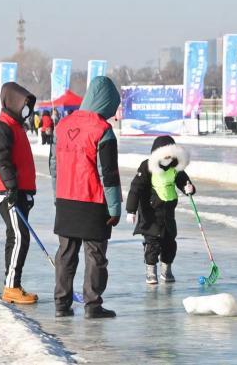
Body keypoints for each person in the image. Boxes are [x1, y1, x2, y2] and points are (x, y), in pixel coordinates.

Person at [50, 76, 122, 319]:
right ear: (107, 102)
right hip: (93, 202)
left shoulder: (62, 126)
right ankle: (92, 305)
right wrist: (115, 208)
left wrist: (57, 195)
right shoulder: (103, 131)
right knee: (95, 256)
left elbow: (53, 166)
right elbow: (108, 174)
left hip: (66, 200)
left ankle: (61, 303)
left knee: (66, 254)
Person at [0, 82, 38, 304]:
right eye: (23, 105)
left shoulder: (16, 126)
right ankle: (11, 288)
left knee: (14, 235)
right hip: (8, 191)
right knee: (19, 236)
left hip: (17, 190)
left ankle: (12, 283)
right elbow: (1, 160)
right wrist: (12, 188)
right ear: (13, 102)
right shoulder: (1, 126)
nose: (26, 110)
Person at [125, 136, 195, 285]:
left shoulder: (176, 167)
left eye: (171, 154)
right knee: (152, 243)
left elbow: (183, 181)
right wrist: (131, 211)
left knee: (170, 242)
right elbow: (135, 188)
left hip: (168, 211)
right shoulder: (147, 166)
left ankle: (166, 269)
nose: (168, 157)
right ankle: (151, 271)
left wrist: (189, 188)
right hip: (150, 212)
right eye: (165, 154)